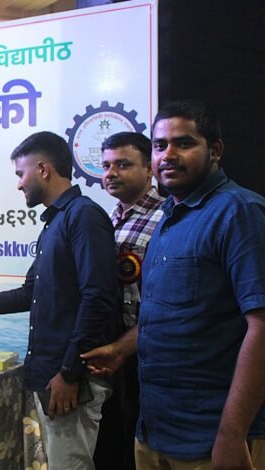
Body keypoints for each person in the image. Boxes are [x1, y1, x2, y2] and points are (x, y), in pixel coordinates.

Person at [82, 100, 265, 469]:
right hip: (156, 430)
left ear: (215, 150)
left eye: (183, 143)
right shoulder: (169, 218)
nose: (168, 155)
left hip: (216, 437)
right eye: (160, 145)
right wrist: (121, 350)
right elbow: (169, 314)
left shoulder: (239, 212)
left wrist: (232, 435)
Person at [0, 131, 119, 469]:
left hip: (70, 379)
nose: (19, 184)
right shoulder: (55, 222)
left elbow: (98, 298)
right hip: (53, 373)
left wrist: (69, 373)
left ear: (43, 169)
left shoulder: (83, 216)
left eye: (21, 174)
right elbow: (29, 294)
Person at [89, 132, 164, 470]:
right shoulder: (111, 218)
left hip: (149, 354)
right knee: (112, 445)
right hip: (111, 350)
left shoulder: (166, 217)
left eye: (123, 165)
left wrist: (124, 348)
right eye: (106, 166)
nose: (111, 173)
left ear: (149, 169)